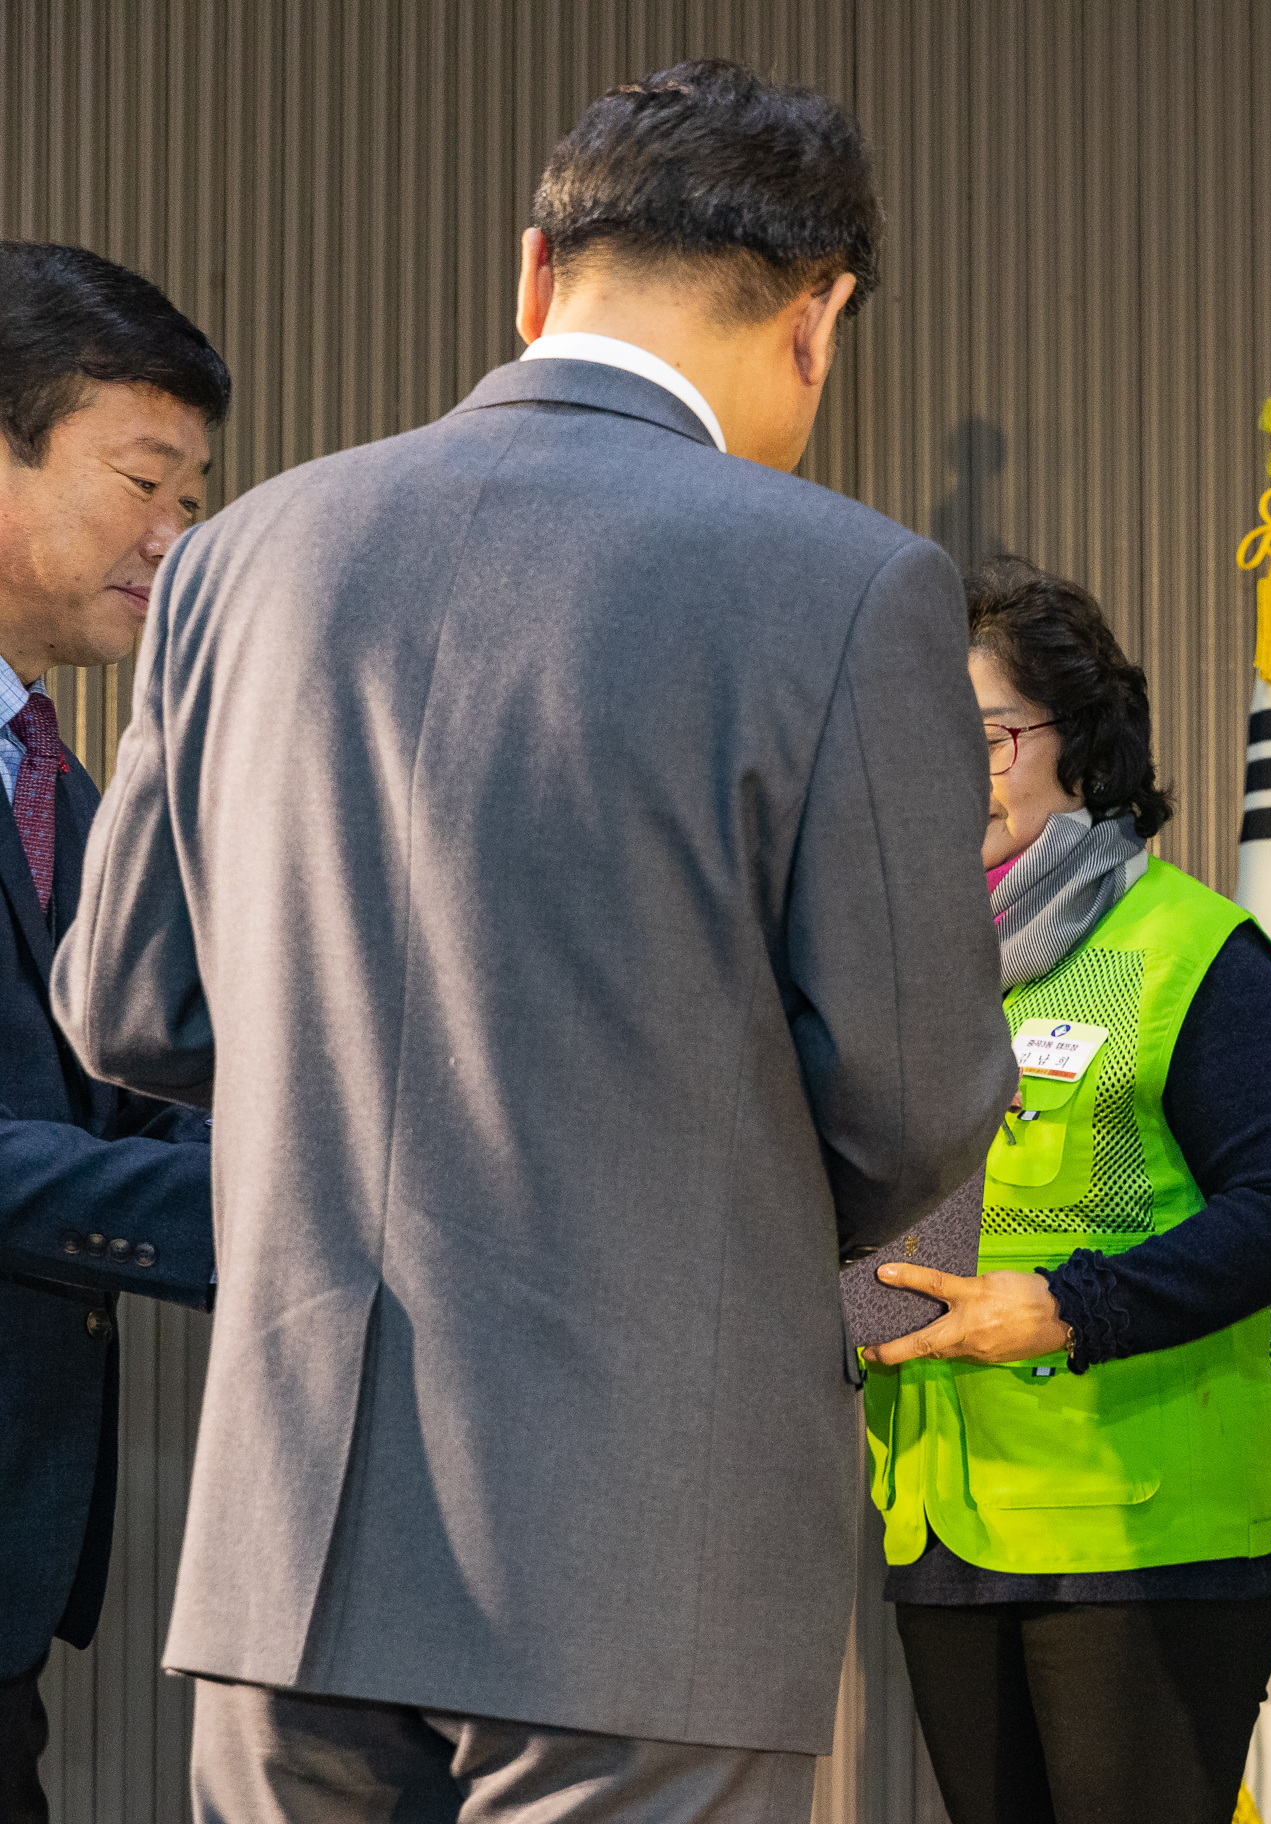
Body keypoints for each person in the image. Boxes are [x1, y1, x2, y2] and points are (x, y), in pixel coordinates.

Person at [48, 61, 1013, 1821]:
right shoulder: (848, 583)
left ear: (531, 274)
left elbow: (126, 1006)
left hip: (297, 1546)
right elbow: (913, 1084)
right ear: (821, 317)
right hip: (649, 1553)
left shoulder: (238, 558)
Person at [857, 557, 1271, 1824]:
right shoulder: (901, 965)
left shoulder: (1190, 952)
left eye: (986, 736)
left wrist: (1069, 1306)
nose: (949, 766)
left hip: (1147, 1547)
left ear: (1078, 744)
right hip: (946, 1532)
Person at [0, 242, 224, 1824]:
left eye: (192, 500)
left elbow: (131, 1089)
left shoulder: (63, 785)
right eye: (143, 480)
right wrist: (295, 1214)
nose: (174, 539)